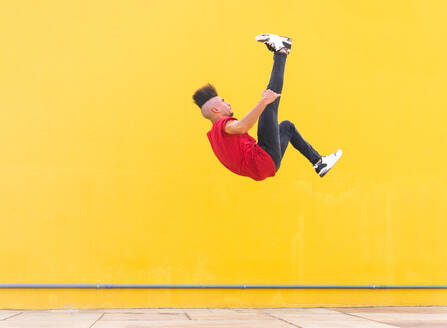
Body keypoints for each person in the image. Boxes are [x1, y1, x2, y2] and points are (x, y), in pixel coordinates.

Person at [193, 33, 342, 181]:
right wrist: (263, 101)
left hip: (267, 165)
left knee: (286, 127)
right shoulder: (222, 125)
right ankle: (281, 51)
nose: (228, 103)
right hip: (263, 158)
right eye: (223, 102)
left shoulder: (214, 138)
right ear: (215, 110)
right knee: (269, 104)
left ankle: (319, 163)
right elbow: (242, 126)